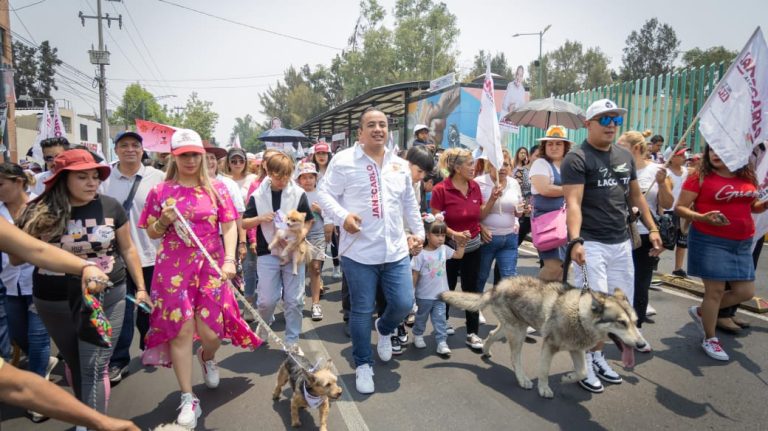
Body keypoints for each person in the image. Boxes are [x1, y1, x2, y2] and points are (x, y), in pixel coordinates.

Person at [138, 129, 261, 429]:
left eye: (195, 154)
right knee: (180, 332)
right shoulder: (160, 191)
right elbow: (151, 231)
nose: (190, 160)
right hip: (172, 271)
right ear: (174, 157)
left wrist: (230, 259)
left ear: (203, 157)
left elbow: (229, 225)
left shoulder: (217, 189)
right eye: (184, 155)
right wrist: (163, 220)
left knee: (211, 334)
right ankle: (187, 397)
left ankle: (207, 357)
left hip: (211, 267)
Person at [16, 149, 148, 416]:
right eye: (82, 177)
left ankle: (92, 423)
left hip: (108, 296)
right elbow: (17, 258)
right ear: (62, 179)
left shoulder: (111, 206)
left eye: (95, 177)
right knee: (75, 363)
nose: (92, 183)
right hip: (55, 300)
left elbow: (128, 248)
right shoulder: (37, 211)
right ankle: (85, 416)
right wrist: (37, 235)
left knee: (94, 366)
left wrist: (142, 288)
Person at [318, 107, 424, 394]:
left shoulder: (399, 164)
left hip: (395, 251)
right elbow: (324, 194)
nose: (378, 129)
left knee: (403, 303)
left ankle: (385, 328)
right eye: (372, 125)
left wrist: (419, 233)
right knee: (362, 311)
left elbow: (409, 203)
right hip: (359, 253)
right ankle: (363, 364)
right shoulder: (344, 161)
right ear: (360, 132)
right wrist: (343, 217)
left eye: (383, 124)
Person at [561, 99, 661, 394]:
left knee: (617, 308)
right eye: (604, 119)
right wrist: (575, 240)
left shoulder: (624, 155)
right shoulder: (576, 158)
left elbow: (636, 197)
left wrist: (653, 227)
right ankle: (584, 362)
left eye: (615, 120)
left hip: (621, 244)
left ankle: (597, 356)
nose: (612, 125)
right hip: (591, 244)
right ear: (588, 124)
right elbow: (573, 203)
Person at [675, 145, 764, 361]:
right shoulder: (699, 176)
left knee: (746, 292)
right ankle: (710, 338)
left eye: (722, 150)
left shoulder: (747, 175)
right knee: (714, 292)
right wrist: (702, 217)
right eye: (712, 150)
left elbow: (753, 206)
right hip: (710, 240)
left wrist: (765, 204)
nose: (715, 154)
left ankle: (703, 311)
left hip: (742, 243)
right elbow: (680, 207)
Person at [100, 131, 165, 385]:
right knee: (123, 311)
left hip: (151, 255)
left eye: (135, 145)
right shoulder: (104, 179)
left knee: (149, 308)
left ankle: (149, 343)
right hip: (116, 259)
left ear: (142, 150)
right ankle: (119, 360)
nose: (130, 149)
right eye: (124, 145)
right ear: (115, 150)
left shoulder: (157, 177)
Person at [0, 163, 57, 422]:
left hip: (41, 283)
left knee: (38, 338)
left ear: (19, 181)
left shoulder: (43, 206)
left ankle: (38, 398)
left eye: (1, 184)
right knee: (18, 336)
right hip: (9, 283)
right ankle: (44, 363)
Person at [241, 151, 313, 353]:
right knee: (266, 300)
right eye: (278, 176)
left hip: (293, 252)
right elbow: (244, 223)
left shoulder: (298, 193)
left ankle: (292, 341)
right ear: (268, 172)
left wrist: (301, 235)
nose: (283, 181)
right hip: (267, 251)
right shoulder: (257, 196)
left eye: (287, 176)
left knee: (294, 300)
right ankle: (264, 325)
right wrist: (260, 218)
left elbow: (309, 219)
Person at [617, 130, 673, 344]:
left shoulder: (657, 170)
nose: (616, 150)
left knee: (641, 283)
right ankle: (617, 324)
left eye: (621, 147)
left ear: (636, 148)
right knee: (619, 283)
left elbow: (667, 204)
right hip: (619, 234)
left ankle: (636, 329)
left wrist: (662, 183)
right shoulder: (615, 170)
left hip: (645, 235)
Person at [430, 147, 486, 351]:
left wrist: (494, 199)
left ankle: (472, 333)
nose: (474, 168)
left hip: (473, 248)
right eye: (470, 164)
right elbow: (436, 222)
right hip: (448, 249)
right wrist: (454, 234)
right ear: (457, 167)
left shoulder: (475, 187)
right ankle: (442, 325)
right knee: (447, 288)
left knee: (472, 290)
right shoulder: (440, 189)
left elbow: (479, 216)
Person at [411, 214, 465, 356]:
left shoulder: (444, 249)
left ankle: (442, 342)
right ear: (427, 235)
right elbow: (415, 274)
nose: (441, 238)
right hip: (424, 295)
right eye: (437, 235)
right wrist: (411, 292)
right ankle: (418, 335)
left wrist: (462, 244)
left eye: (443, 235)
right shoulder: (420, 254)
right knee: (421, 318)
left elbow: (458, 255)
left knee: (440, 319)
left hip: (441, 295)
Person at [530, 126, 572, 281]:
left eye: (558, 143)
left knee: (563, 268)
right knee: (553, 267)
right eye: (550, 143)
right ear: (544, 146)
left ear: (565, 146)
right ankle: (531, 293)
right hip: (547, 223)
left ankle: (551, 296)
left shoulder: (569, 165)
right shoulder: (540, 163)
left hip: (566, 222)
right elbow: (545, 189)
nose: (554, 147)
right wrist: (572, 190)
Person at [474, 155, 523, 291]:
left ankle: (506, 305)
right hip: (486, 239)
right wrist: (492, 199)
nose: (502, 168)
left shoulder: (514, 183)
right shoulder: (479, 183)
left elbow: (518, 212)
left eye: (506, 164)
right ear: (490, 166)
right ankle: (475, 303)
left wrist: (522, 210)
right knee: (480, 277)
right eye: (498, 164)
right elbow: (473, 212)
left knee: (509, 279)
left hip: (509, 238)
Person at [295, 161, 330, 321]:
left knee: (315, 269)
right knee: (298, 270)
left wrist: (320, 210)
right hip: (298, 236)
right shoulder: (295, 195)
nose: (308, 180)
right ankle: (296, 300)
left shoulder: (322, 194)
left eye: (311, 177)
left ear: (316, 178)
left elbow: (330, 216)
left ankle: (316, 304)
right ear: (299, 179)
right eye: (304, 177)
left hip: (317, 235)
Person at [311, 142, 341, 278]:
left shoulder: (334, 171)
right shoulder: (312, 172)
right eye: (318, 154)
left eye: (324, 153)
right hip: (315, 211)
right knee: (319, 242)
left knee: (334, 240)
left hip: (332, 211)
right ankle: (318, 274)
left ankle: (336, 266)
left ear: (329, 155)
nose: (321, 156)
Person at [665, 147, 690, 278]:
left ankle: (678, 268)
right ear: (672, 157)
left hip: (683, 210)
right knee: (667, 241)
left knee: (682, 241)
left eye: (684, 154)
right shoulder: (666, 172)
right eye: (680, 155)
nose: (684, 157)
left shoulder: (687, 171)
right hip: (669, 211)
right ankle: (651, 260)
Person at [511, 146, 533, 246]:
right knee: (519, 228)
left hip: (530, 205)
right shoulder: (518, 169)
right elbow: (517, 188)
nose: (523, 155)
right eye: (521, 153)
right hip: (521, 203)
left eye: (525, 153)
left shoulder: (531, 169)